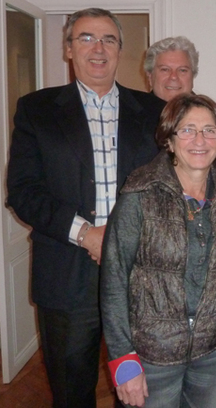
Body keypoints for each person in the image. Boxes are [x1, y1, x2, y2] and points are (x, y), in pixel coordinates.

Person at [5, 8, 164, 407]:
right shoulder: (36, 109)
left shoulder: (152, 111)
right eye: (86, 38)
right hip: (66, 275)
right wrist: (86, 233)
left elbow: (167, 188)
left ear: (120, 50)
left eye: (108, 39)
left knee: (142, 389)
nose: (98, 48)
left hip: (141, 275)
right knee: (72, 392)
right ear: (69, 49)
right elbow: (22, 190)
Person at [100, 94, 216, 408]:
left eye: (210, 130)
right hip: (152, 354)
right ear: (169, 139)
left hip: (215, 350)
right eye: (187, 130)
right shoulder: (139, 193)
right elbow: (114, 278)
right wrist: (122, 357)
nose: (199, 140)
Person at [144, 36, 198, 101]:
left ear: (193, 75)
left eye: (182, 70)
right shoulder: (133, 110)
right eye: (165, 69)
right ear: (150, 76)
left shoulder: (207, 110)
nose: (174, 77)